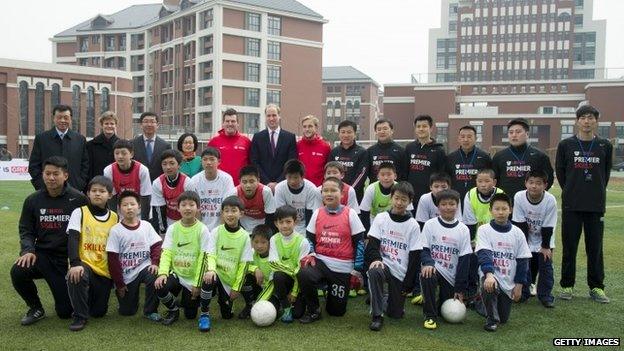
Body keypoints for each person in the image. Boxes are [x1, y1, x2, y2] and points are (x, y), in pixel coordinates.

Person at [11, 156, 88, 325]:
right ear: (43, 174)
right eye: (48, 173)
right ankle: (35, 307)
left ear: (65, 175)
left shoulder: (79, 199)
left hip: (66, 259)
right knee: (18, 270)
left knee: (65, 312)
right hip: (42, 256)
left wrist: (77, 261)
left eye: (56, 174)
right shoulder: (33, 200)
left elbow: (87, 231)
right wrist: (28, 250)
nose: (51, 178)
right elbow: (26, 230)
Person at [556, 105, 613, 303]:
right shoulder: (566, 145)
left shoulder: (605, 145)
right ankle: (567, 285)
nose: (587, 121)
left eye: (590, 118)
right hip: (572, 204)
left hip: (595, 205)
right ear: (577, 121)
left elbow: (604, 175)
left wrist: (593, 192)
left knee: (595, 249)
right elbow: (561, 173)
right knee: (569, 247)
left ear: (596, 121)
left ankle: (596, 287)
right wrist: (573, 190)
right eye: (583, 118)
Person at [297, 177, 365, 323]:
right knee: (304, 274)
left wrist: (357, 270)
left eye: (333, 190)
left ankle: (331, 294)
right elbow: (309, 238)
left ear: (342, 194)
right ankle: (314, 309)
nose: (329, 194)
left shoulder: (350, 213)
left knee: (336, 312)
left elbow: (359, 242)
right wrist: (311, 254)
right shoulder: (318, 213)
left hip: (342, 267)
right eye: (325, 190)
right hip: (321, 262)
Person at [365, 182, 420, 331]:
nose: (399, 202)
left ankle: (379, 296)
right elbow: (372, 245)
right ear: (391, 198)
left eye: (404, 199)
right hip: (384, 265)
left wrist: (409, 283)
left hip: (400, 272)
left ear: (410, 202)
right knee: (374, 271)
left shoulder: (413, 225)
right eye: (396, 198)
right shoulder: (381, 218)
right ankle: (377, 316)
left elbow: (415, 257)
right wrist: (377, 259)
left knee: (396, 314)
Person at [66, 176, 118, 331]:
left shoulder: (114, 217)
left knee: (99, 312)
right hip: (85, 264)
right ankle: (79, 316)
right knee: (77, 274)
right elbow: (73, 238)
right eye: (93, 191)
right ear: (88, 193)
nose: (97, 194)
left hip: (104, 270)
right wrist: (74, 263)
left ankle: (83, 299)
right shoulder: (80, 212)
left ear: (110, 194)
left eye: (102, 191)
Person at [476, 193, 531, 332]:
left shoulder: (518, 233)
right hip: (491, 276)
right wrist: (489, 275)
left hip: (508, 281)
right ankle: (491, 320)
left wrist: (519, 285)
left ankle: (479, 303)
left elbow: (523, 261)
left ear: (510, 210)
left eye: (504, 209)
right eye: (497, 209)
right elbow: (484, 255)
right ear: (490, 211)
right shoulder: (484, 230)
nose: (500, 212)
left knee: (504, 318)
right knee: (488, 285)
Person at [155, 191, 211, 326]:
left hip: (193, 277)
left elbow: (204, 258)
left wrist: (197, 283)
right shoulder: (173, 228)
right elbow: (166, 252)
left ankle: (186, 302)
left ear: (198, 208)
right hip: (177, 273)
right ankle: (173, 309)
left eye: (191, 205)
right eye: (183, 205)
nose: (187, 208)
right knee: (159, 285)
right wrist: (162, 273)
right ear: (178, 208)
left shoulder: (203, 229)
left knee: (190, 315)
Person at [199, 196, 253, 331]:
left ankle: (227, 300)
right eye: (226, 211)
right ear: (222, 213)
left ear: (241, 213)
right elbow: (210, 254)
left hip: (231, 279)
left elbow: (244, 264)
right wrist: (211, 270)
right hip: (217, 273)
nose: (230, 214)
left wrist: (236, 287)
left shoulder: (245, 236)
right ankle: (204, 314)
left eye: (234, 211)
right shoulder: (217, 231)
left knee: (227, 316)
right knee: (208, 277)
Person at [419, 189, 472, 330]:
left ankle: (435, 302)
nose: (448, 207)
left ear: (457, 205)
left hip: (451, 276)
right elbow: (424, 250)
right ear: (438, 206)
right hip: (435, 269)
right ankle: (429, 315)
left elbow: (464, 259)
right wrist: (429, 263)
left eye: (451, 204)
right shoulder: (430, 224)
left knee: (446, 308)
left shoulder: (463, 229)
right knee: (427, 274)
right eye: (443, 204)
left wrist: (460, 288)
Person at [106, 191, 163, 322]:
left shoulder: (146, 226)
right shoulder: (116, 230)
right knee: (127, 311)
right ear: (119, 209)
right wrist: (119, 284)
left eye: (132, 204)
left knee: (154, 274)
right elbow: (113, 259)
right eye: (125, 205)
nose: (129, 207)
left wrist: (155, 263)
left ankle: (150, 311)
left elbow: (156, 246)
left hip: (144, 267)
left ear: (139, 207)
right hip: (126, 274)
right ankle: (129, 299)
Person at [512, 170, 557, 308]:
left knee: (545, 267)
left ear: (545, 185)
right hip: (525, 236)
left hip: (545, 238)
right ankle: (524, 293)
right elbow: (519, 224)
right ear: (526, 183)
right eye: (531, 182)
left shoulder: (550, 200)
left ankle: (545, 296)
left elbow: (548, 226)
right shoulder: (519, 196)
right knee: (524, 265)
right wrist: (523, 248)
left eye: (538, 183)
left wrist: (545, 247)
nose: (534, 186)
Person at [462, 168, 504, 300]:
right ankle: (471, 290)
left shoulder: (501, 194)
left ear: (494, 182)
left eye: (487, 181)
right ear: (476, 182)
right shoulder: (470, 195)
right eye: (480, 181)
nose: (483, 184)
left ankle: (497, 288)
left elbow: (503, 218)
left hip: (496, 236)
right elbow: (469, 222)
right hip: (476, 237)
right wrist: (472, 243)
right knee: (472, 261)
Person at [28, 104, 89, 191]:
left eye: (66, 117)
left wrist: (80, 183)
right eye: (59, 117)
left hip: (74, 189)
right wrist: (41, 185)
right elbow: (33, 166)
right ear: (54, 118)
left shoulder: (80, 139)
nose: (62, 120)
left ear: (71, 119)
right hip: (47, 190)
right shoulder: (42, 138)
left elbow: (85, 165)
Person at [492, 118, 554, 201]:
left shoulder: (539, 156)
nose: (514, 135)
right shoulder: (499, 156)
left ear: (527, 134)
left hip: (531, 204)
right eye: (511, 132)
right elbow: (494, 181)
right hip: (506, 205)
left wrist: (536, 195)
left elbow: (548, 179)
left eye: (518, 132)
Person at [268, 206, 310, 322]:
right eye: (281, 222)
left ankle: (299, 299)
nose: (285, 225)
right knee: (278, 275)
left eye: (288, 221)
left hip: (298, 281)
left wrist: (295, 292)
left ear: (295, 222)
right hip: (282, 279)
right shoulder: (273, 239)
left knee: (297, 314)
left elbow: (300, 269)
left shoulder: (303, 241)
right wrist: (292, 271)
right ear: (276, 224)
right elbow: (273, 263)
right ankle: (285, 307)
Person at [250, 104, 297, 191]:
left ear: (279, 116)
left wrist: (278, 182)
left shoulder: (290, 137)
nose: (271, 118)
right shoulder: (257, 137)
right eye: (268, 116)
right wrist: (267, 182)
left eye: (274, 115)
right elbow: (254, 162)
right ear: (265, 117)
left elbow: (291, 162)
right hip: (263, 186)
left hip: (284, 185)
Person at [103, 139, 152, 220]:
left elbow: (145, 196)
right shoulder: (108, 170)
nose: (120, 156)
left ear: (131, 154)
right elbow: (111, 198)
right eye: (117, 153)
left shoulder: (142, 170)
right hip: (121, 210)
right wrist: (114, 219)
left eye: (123, 153)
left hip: (139, 209)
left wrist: (144, 221)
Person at [405, 115, 447, 208]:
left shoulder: (439, 150)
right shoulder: (409, 147)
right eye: (418, 126)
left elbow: (442, 174)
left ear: (431, 128)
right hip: (411, 196)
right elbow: (405, 171)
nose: (421, 129)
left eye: (424, 126)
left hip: (430, 197)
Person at [187, 147, 235, 230]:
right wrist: (200, 230)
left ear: (219, 161)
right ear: (201, 162)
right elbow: (194, 208)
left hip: (221, 226)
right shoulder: (194, 180)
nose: (208, 162)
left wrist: (221, 230)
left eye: (212, 159)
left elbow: (227, 207)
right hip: (200, 227)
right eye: (205, 159)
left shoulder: (227, 179)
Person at [445, 125, 492, 206]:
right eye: (462, 137)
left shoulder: (484, 157)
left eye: (469, 137)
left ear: (476, 138)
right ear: (458, 139)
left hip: (478, 198)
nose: (466, 140)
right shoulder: (450, 157)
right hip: (455, 199)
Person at [274, 159, 320, 236]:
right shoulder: (279, 188)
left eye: (295, 177)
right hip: (287, 226)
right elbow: (280, 213)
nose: (292, 181)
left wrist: (308, 235)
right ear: (285, 176)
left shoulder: (311, 188)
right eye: (289, 177)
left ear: (302, 177)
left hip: (305, 227)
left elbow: (310, 213)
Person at [225, 165, 276, 233]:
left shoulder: (266, 191)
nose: (248, 185)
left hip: (262, 223)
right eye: (244, 182)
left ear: (258, 180)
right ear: (239, 182)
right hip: (243, 224)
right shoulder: (234, 193)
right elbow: (231, 215)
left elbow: (270, 215)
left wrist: (264, 232)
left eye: (251, 181)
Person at [207, 108, 252, 185]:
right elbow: (207, 163)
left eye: (233, 121)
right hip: (219, 186)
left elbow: (251, 164)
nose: (230, 124)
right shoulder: (213, 142)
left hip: (241, 187)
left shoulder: (247, 142)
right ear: (223, 123)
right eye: (227, 121)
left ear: (238, 123)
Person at [151, 150, 192, 232]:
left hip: (186, 220)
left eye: (172, 163)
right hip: (169, 220)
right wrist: (163, 230)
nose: (168, 167)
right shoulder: (157, 183)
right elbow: (159, 209)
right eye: (164, 164)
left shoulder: (187, 182)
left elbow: (191, 207)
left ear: (179, 165)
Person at [329, 120, 368, 202]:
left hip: (355, 195)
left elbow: (361, 175)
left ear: (354, 134)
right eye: (343, 132)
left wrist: (349, 191)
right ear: (339, 134)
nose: (346, 135)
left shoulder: (362, 152)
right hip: (336, 194)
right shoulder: (334, 152)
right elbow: (330, 173)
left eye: (349, 132)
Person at [240, 224, 273, 319]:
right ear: (251, 242)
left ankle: (257, 304)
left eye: (263, 242)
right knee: (244, 275)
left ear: (270, 243)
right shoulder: (251, 253)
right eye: (256, 242)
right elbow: (242, 265)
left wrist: (260, 301)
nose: (259, 246)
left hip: (271, 290)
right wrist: (255, 269)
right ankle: (249, 305)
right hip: (258, 287)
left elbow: (273, 283)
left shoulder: (274, 257)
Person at [132, 112, 172, 182]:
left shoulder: (165, 146)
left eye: (152, 121)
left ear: (157, 125)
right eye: (146, 121)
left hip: (158, 185)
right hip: (137, 183)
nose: (149, 124)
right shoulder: (132, 144)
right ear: (141, 125)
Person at [297, 115, 331, 186]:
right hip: (302, 188)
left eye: (310, 126)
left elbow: (329, 168)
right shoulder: (297, 145)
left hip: (319, 188)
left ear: (316, 128)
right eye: (304, 126)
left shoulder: (325, 146)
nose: (307, 129)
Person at [87, 111, 120, 180]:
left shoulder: (121, 145)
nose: (109, 126)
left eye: (112, 124)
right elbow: (89, 168)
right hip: (97, 183)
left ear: (116, 125)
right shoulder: (91, 145)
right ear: (102, 125)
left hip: (116, 183)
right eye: (106, 123)